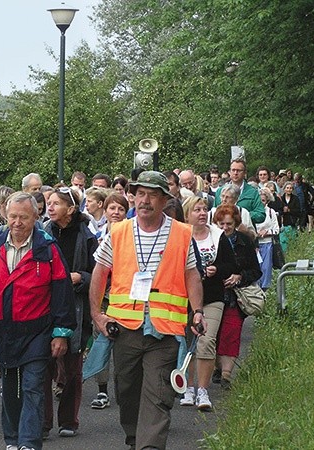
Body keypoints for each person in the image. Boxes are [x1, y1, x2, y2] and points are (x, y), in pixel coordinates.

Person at [89, 171, 206, 450]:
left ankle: (149, 446)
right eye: (140, 193)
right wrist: (97, 314)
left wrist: (198, 311)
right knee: (127, 392)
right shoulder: (117, 232)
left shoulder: (180, 233)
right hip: (125, 329)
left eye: (152, 194)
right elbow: (99, 271)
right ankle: (135, 440)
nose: (145, 200)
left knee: (158, 393)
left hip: (164, 332)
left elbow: (192, 275)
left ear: (165, 200)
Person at [0, 192, 76, 450]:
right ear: (6, 215)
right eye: (12, 216)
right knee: (10, 388)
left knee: (33, 386)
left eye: (24, 217)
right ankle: (12, 440)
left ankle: (29, 443)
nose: (17, 222)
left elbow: (62, 292)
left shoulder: (47, 249)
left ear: (36, 216)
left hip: (38, 331)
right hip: (4, 330)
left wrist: (61, 332)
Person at [43, 187, 98, 438]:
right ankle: (42, 421)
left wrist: (81, 277)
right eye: (49, 203)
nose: (50, 207)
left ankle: (68, 421)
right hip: (44, 305)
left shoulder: (87, 236)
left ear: (71, 209)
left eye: (56, 203)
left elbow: (98, 274)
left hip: (76, 306)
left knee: (72, 366)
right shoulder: (43, 233)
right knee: (42, 364)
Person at [179, 196, 235, 411]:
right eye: (197, 210)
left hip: (212, 297)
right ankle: (188, 388)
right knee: (186, 342)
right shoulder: (179, 236)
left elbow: (231, 264)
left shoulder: (218, 235)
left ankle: (202, 390)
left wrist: (216, 270)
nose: (202, 213)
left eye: (205, 209)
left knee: (206, 340)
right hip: (184, 298)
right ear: (187, 215)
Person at [213, 204, 262, 389]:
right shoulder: (210, 240)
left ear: (236, 223)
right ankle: (217, 367)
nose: (225, 228)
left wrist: (239, 277)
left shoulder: (245, 241)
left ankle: (226, 374)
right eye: (221, 224)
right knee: (214, 335)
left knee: (231, 333)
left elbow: (256, 271)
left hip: (236, 297)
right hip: (214, 294)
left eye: (229, 224)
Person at [88, 193, 129, 410]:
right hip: (103, 298)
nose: (116, 213)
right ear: (105, 211)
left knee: (123, 349)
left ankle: (124, 392)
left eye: (121, 209)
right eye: (112, 208)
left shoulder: (133, 236)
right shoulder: (97, 236)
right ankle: (101, 391)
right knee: (100, 342)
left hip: (125, 300)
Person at [214, 158, 265, 225]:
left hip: (245, 231)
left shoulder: (253, 192)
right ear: (229, 172)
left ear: (245, 173)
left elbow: (261, 215)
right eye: (233, 170)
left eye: (238, 170)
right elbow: (214, 213)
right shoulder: (220, 191)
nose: (235, 173)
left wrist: (242, 215)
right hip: (223, 231)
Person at [256, 188, 280, 291]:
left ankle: (264, 291)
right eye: (259, 200)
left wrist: (267, 232)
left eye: (263, 200)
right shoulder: (252, 212)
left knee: (266, 269)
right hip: (255, 244)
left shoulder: (271, 212)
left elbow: (276, 230)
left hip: (267, 244)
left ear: (267, 201)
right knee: (256, 268)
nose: (261, 203)